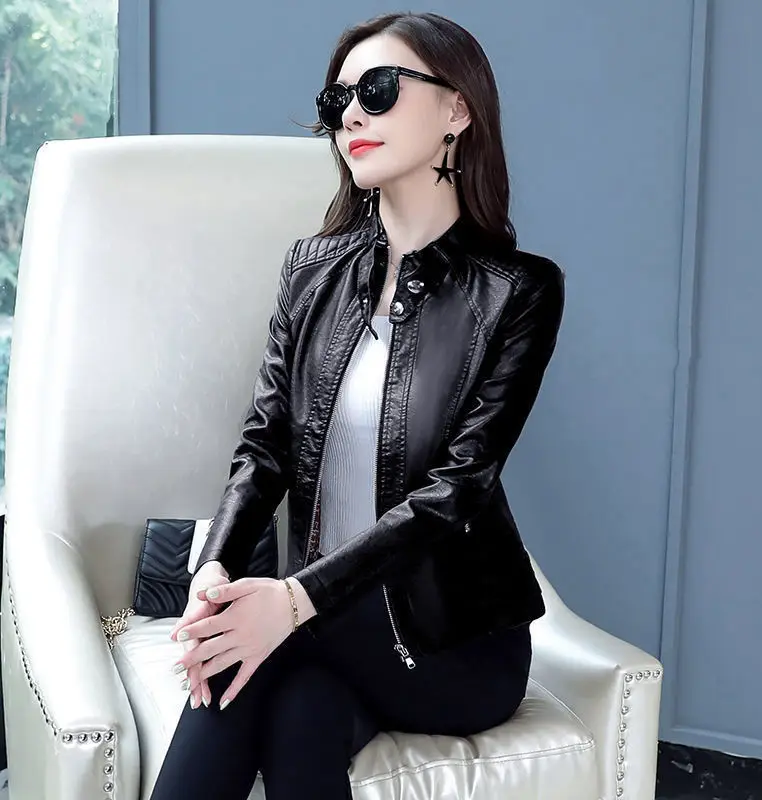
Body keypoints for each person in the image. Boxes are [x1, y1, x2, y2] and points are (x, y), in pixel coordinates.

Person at [149, 11, 565, 800]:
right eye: (337, 99)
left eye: (377, 90)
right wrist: (216, 569)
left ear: (457, 108)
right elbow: (265, 446)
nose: (351, 116)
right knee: (297, 711)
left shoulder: (517, 291)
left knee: (253, 652)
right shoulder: (312, 270)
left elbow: (456, 490)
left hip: (453, 639)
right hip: (325, 623)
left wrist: (291, 600)